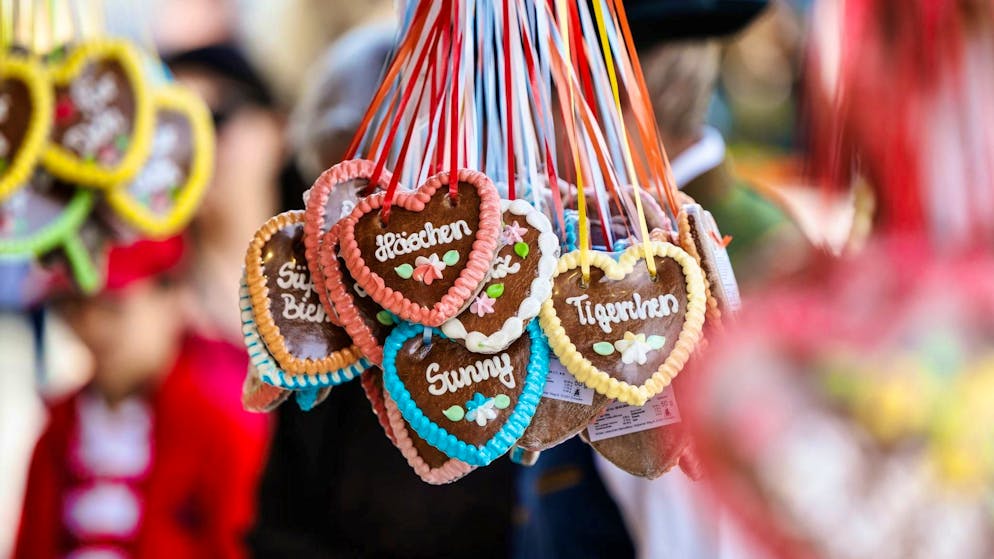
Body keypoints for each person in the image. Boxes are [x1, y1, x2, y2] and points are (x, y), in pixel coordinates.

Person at [248, 24, 517, 558]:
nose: (347, 234)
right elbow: (285, 498)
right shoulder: (305, 290)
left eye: (373, 199)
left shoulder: (491, 295)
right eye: (335, 189)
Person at [13, 237, 268, 559]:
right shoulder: (58, 430)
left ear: (172, 294)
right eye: (72, 304)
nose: (91, 326)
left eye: (111, 305)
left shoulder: (226, 421)